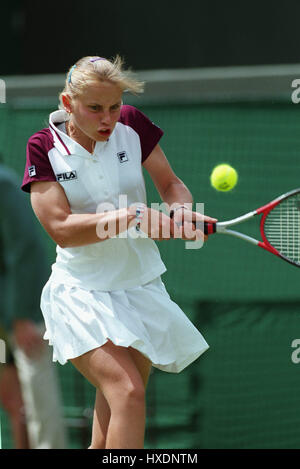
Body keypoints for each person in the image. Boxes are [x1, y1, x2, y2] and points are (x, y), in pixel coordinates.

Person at [21, 55, 217, 449]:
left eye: (113, 106)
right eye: (94, 108)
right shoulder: (44, 147)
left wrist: (180, 213)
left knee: (112, 421)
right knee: (128, 393)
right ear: (67, 102)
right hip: (81, 294)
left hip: (139, 286)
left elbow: (170, 183)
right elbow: (61, 229)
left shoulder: (132, 123)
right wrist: (134, 216)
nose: (108, 117)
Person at [0, 162, 67, 448]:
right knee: (14, 403)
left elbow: (25, 247)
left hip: (21, 319)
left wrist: (23, 315)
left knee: (39, 405)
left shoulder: (2, 183)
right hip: (2, 330)